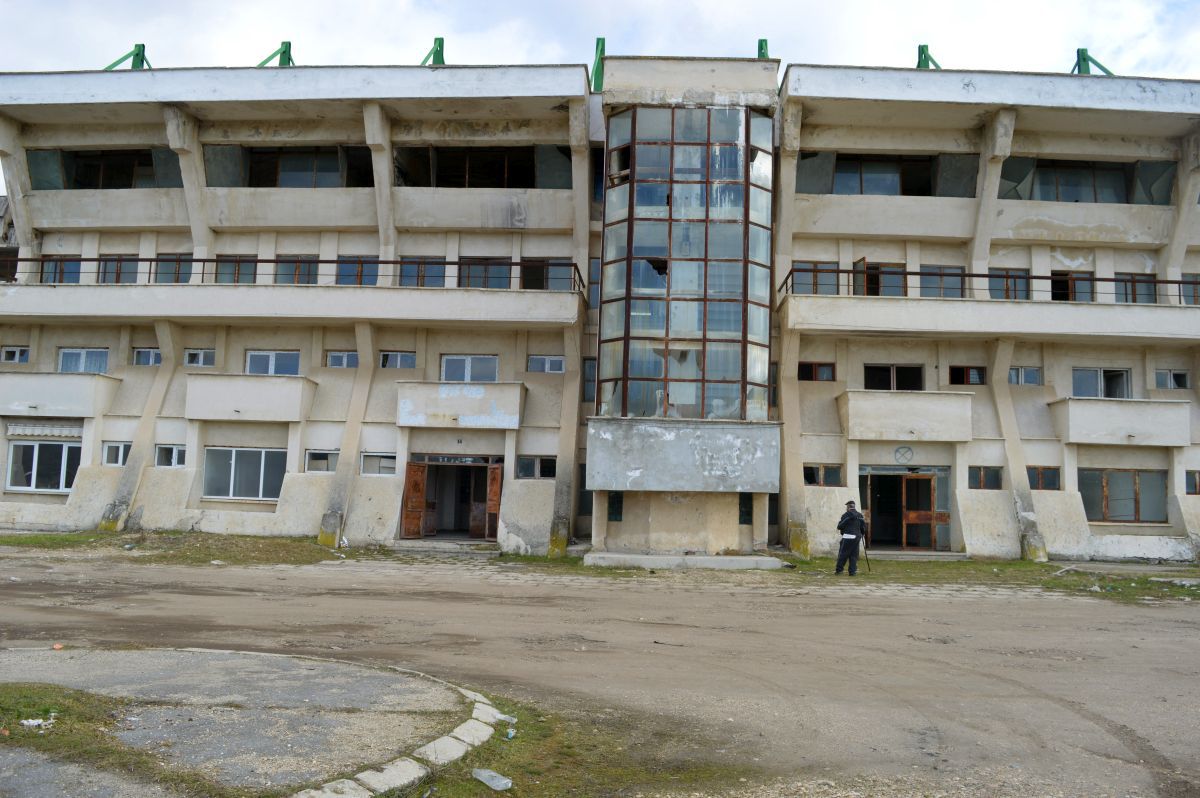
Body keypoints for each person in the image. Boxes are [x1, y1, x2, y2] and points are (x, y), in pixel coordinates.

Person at [836, 499, 867, 576]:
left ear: (848, 507)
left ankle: (839, 570)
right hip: (857, 537)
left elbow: (840, 527)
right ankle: (852, 572)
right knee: (854, 555)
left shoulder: (845, 515)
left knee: (843, 554)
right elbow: (863, 527)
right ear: (854, 507)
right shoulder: (860, 515)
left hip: (848, 536)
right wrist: (862, 533)